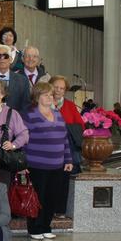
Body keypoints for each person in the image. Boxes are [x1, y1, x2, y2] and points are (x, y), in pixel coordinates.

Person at [22, 82, 73, 240]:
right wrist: (23, 163)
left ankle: (46, 226)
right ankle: (34, 228)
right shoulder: (29, 115)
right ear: (37, 97)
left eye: (51, 95)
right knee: (37, 198)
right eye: (46, 95)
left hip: (57, 165)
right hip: (36, 165)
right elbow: (23, 139)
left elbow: (64, 139)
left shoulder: (58, 114)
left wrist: (68, 159)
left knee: (51, 198)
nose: (50, 97)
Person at [50, 75, 84, 217]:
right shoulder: (42, 103)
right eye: (56, 87)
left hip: (65, 151)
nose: (58, 90)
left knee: (63, 180)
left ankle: (60, 210)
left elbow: (80, 125)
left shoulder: (70, 105)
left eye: (62, 88)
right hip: (47, 150)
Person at [0, 44, 30, 114]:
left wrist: (16, 119)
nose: (2, 59)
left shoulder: (23, 81)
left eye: (5, 56)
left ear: (11, 59)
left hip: (14, 119)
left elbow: (25, 106)